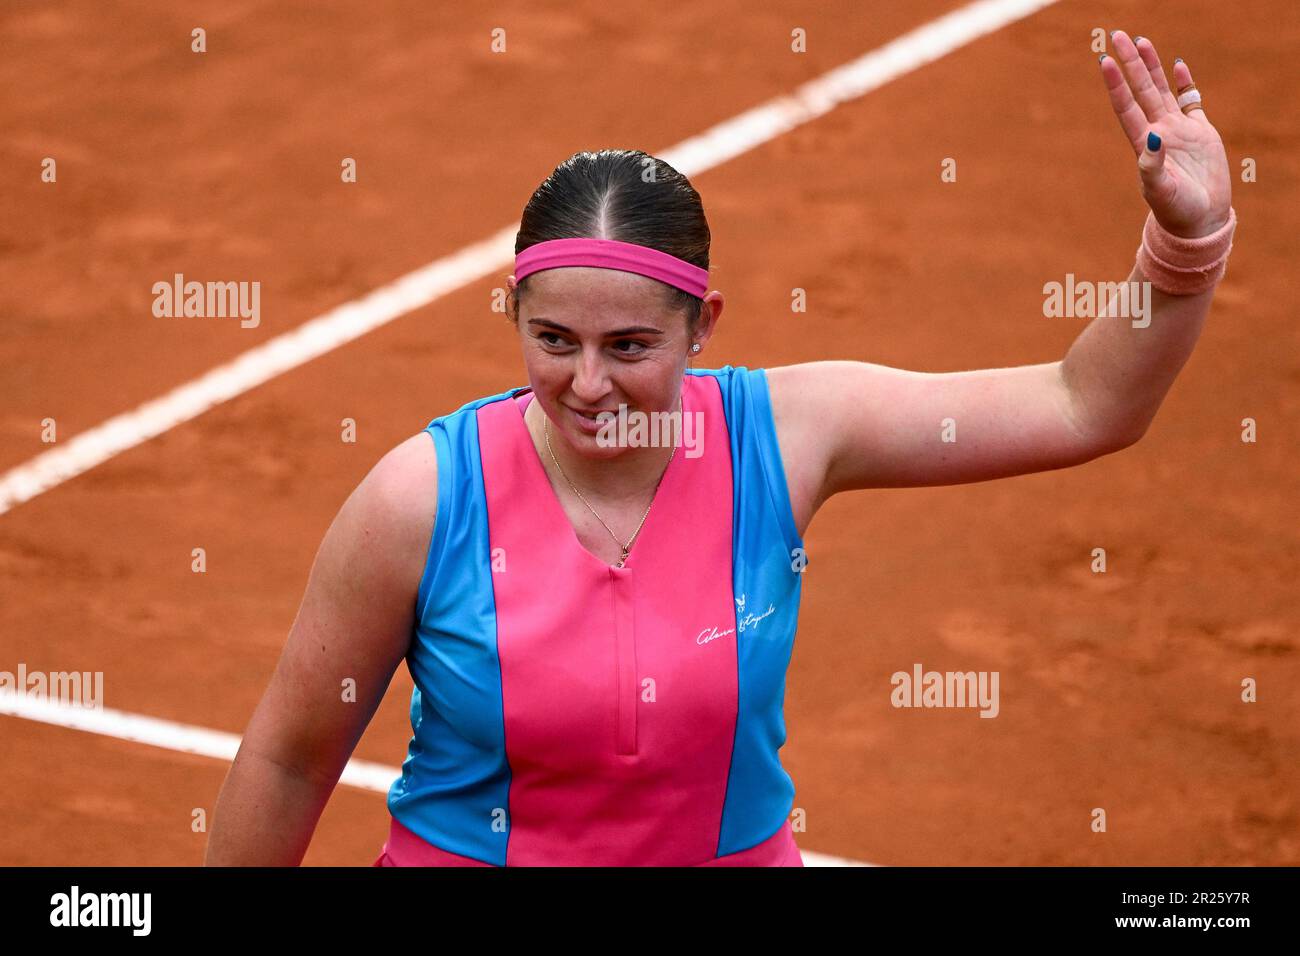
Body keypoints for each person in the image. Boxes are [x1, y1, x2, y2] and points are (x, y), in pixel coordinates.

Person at [204, 30, 1234, 866]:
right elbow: (290, 761)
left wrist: (1184, 248)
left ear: (705, 327)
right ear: (511, 314)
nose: (589, 384)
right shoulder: (418, 500)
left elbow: (1082, 402)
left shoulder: (790, 434)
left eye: (631, 345)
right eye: (552, 340)